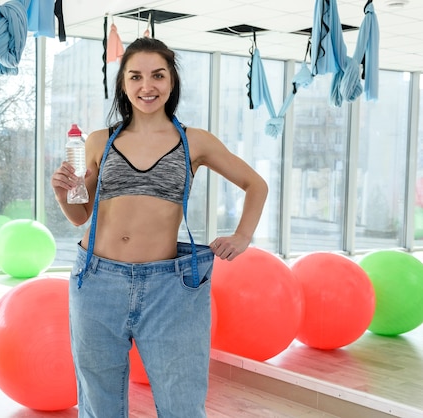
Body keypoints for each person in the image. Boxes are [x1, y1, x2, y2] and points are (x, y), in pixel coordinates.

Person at [51, 37, 268, 418]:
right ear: (123, 84)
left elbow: (256, 185)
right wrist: (62, 193)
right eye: (135, 76)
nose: (146, 86)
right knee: (98, 403)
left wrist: (242, 236)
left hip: (170, 289)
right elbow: (81, 215)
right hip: (97, 280)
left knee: (182, 404)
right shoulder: (101, 141)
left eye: (157, 75)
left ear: (171, 82)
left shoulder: (195, 141)